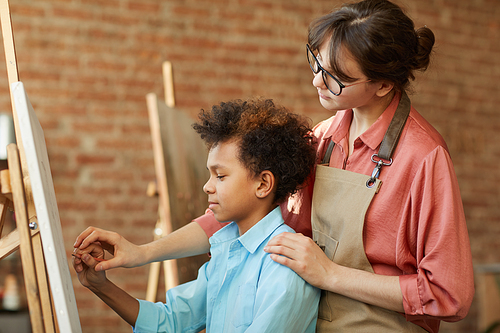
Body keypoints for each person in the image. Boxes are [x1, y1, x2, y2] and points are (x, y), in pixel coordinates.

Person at [74, 0, 474, 332]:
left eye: (336, 78)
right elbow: (240, 209)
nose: (317, 81)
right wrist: (141, 253)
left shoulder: (423, 157)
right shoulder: (322, 139)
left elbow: (449, 295)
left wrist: (329, 274)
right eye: (316, 63)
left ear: (384, 84)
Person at [73, 99, 320, 332]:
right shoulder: (227, 252)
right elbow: (168, 322)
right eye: (209, 175)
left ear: (263, 184)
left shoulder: (286, 264)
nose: (207, 186)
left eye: (220, 176)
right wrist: (99, 285)